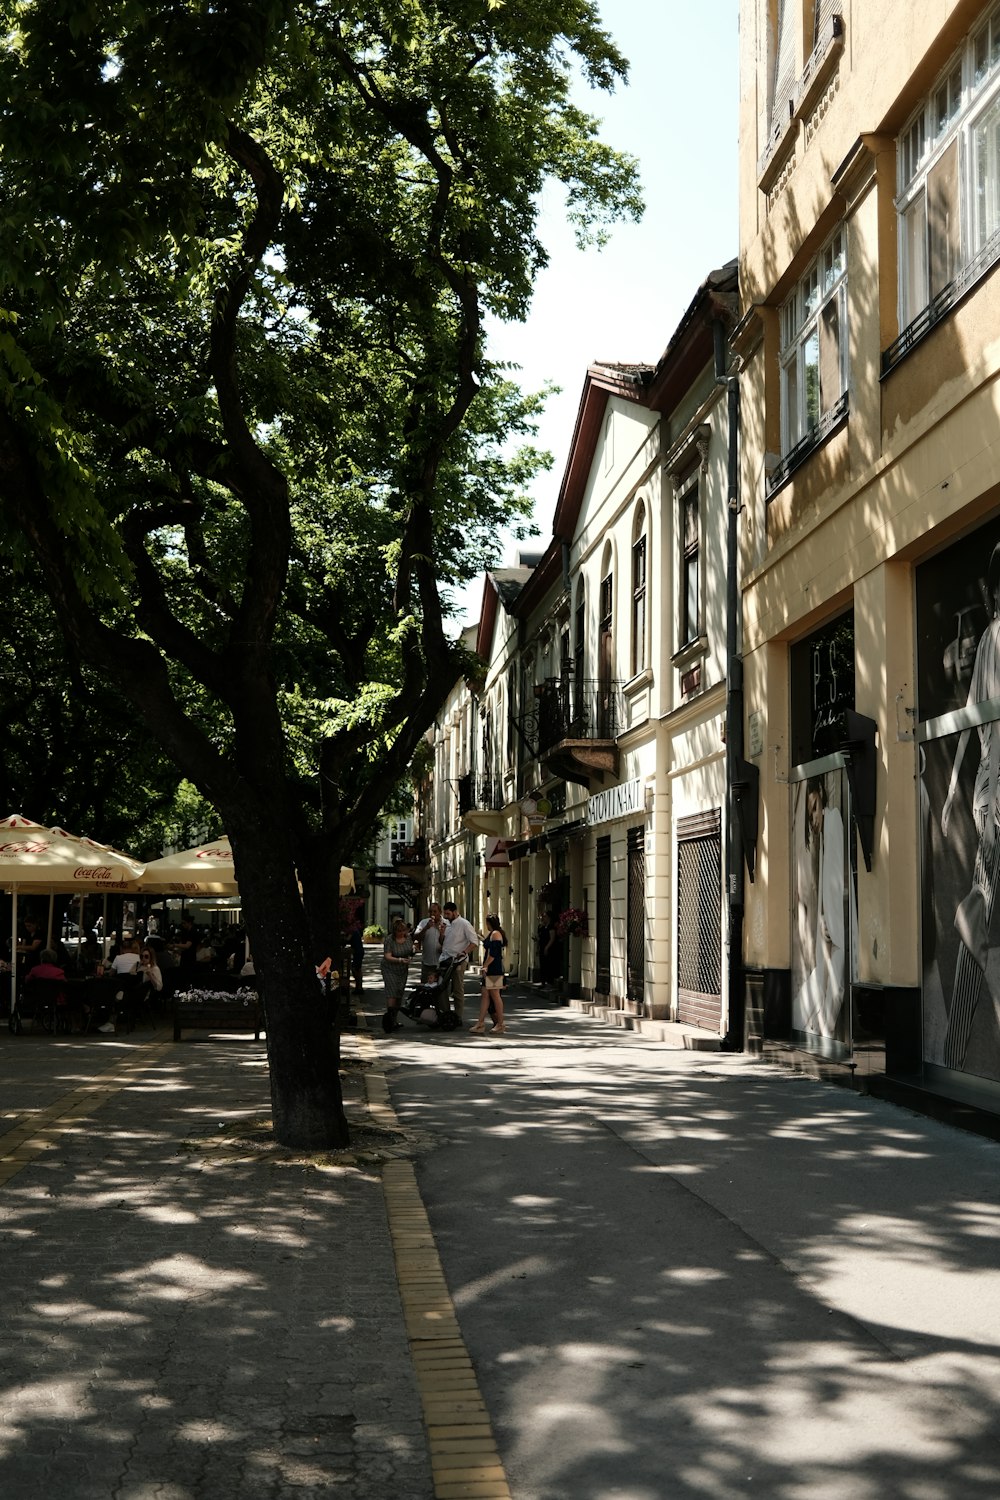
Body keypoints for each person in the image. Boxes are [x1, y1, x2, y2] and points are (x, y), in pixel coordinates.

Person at [941, 541, 1000, 1068]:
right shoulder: (993, 638)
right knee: (982, 911)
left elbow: (964, 723)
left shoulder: (989, 642)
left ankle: (954, 1056)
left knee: (981, 923)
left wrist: (954, 787)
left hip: (989, 798)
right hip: (998, 799)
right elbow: (967, 720)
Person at [793, 776, 846, 1038]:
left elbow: (838, 876)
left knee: (832, 984)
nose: (813, 819)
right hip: (831, 929)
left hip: (837, 930)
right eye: (810, 812)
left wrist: (831, 922)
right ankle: (819, 1029)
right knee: (826, 982)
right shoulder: (826, 831)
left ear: (823, 795)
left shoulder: (833, 820)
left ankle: (821, 1030)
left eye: (814, 808)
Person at [440, 901, 478, 1023]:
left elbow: (474, 942)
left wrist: (464, 952)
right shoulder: (446, 923)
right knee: (442, 987)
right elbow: (442, 942)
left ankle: (458, 1016)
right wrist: (441, 933)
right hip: (445, 959)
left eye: (448, 913)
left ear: (455, 912)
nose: (446, 916)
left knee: (457, 988)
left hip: (458, 961)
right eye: (445, 913)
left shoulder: (464, 924)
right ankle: (445, 1013)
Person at [470, 915, 507, 1035]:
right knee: (485, 994)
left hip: (494, 969)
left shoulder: (495, 934)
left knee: (495, 995)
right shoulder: (493, 933)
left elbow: (494, 953)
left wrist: (485, 965)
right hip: (491, 969)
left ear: (489, 923)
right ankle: (480, 1023)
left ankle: (500, 1024)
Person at [380, 916, 414, 1032]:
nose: (401, 933)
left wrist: (410, 956)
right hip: (389, 968)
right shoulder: (390, 940)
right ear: (394, 931)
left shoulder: (408, 938)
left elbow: (410, 950)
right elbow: (387, 956)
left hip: (402, 969)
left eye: (403, 931)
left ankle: (394, 1019)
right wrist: (400, 960)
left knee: (399, 992)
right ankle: (389, 1021)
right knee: (392, 992)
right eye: (399, 931)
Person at [413, 903, 445, 982]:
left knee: (441, 988)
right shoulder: (424, 922)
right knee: (426, 986)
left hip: (441, 962)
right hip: (427, 962)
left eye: (435, 911)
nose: (432, 914)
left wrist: (440, 931)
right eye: (430, 912)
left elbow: (449, 941)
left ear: (440, 912)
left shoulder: (446, 924)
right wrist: (426, 928)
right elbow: (416, 937)